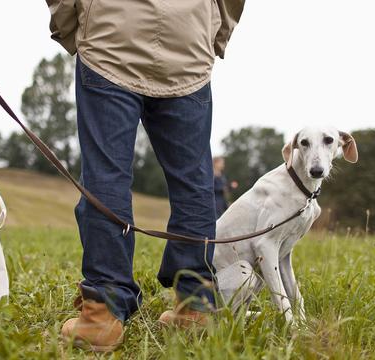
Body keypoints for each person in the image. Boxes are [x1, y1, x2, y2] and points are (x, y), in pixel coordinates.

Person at [46, 0, 246, 351]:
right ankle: (196, 307)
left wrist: (73, 24)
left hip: (111, 32)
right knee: (195, 182)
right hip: (189, 36)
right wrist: (214, 29)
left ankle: (101, 316)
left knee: (105, 176)